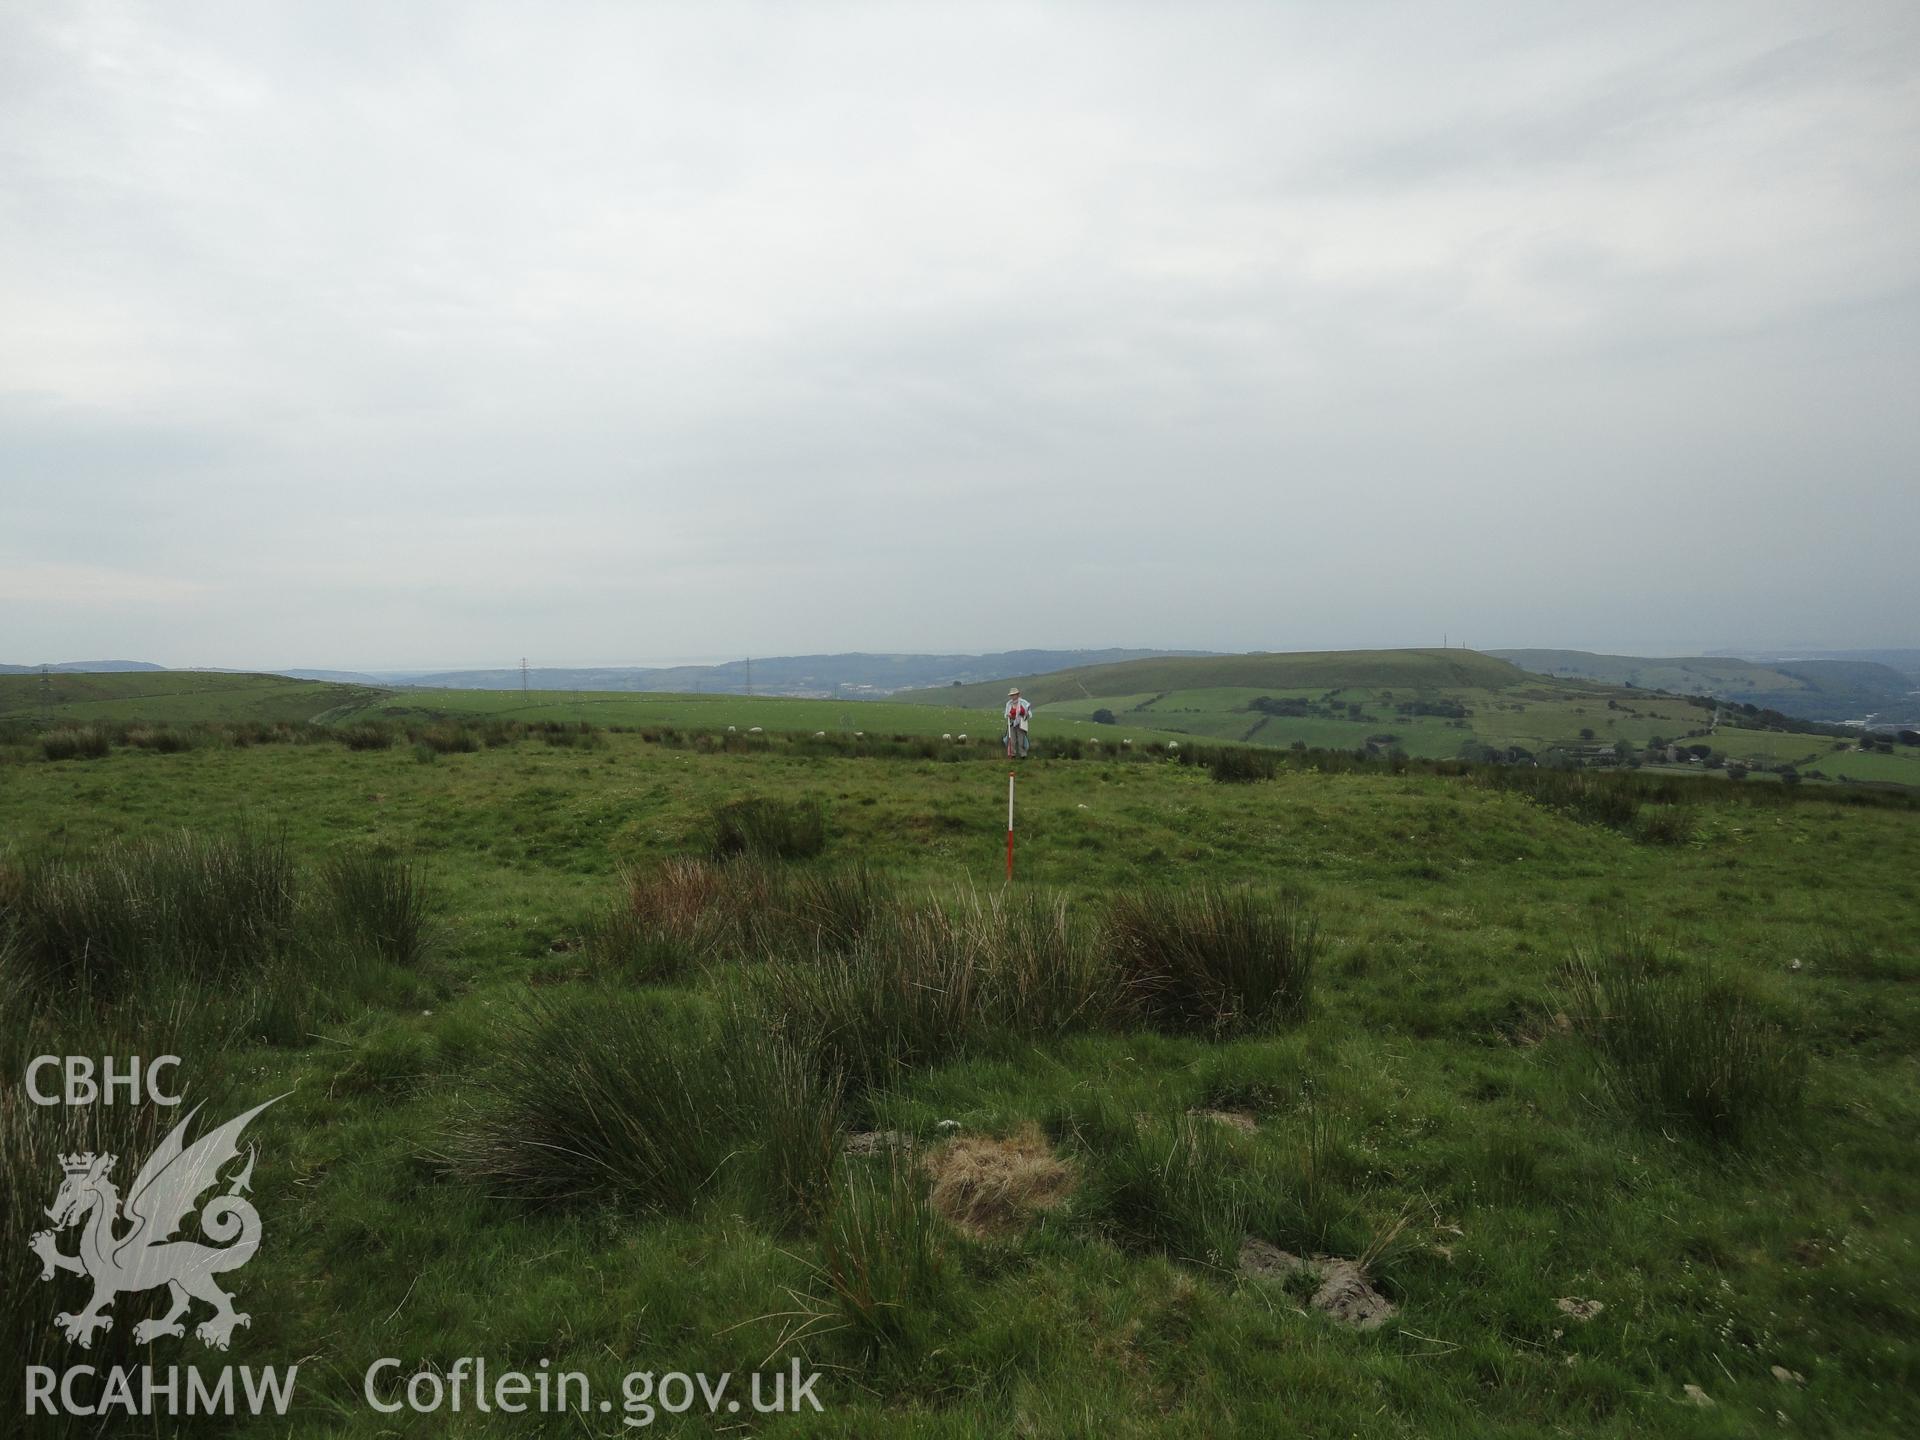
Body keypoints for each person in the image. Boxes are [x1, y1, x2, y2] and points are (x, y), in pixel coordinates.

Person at [1004, 688, 1031, 758]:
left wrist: (1026, 714)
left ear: (1018, 695)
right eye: (1011, 695)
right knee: (1012, 740)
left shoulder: (1024, 703)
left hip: (1021, 724)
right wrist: (1008, 715)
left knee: (1021, 740)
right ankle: (1013, 754)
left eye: (1014, 695)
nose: (1013, 696)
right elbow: (1006, 713)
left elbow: (1029, 713)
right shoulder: (1009, 704)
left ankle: (1023, 755)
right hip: (1012, 723)